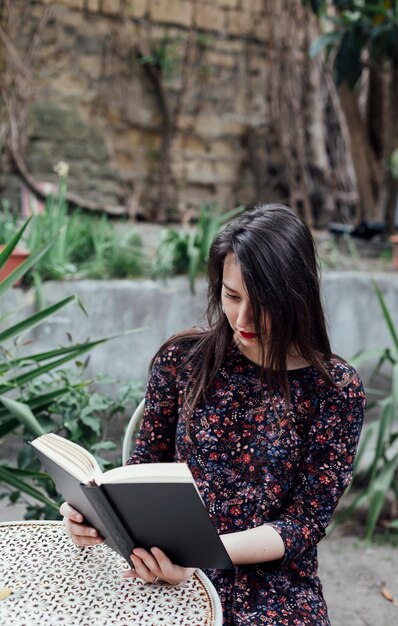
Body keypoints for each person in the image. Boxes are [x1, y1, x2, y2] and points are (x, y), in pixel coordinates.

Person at [61, 203, 366, 625]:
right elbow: (143, 473)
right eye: (231, 295)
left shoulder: (334, 389)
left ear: (296, 296)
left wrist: (204, 556)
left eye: (262, 303)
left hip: (274, 585)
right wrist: (96, 518)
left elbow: (303, 523)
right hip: (166, 568)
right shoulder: (182, 360)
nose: (242, 319)